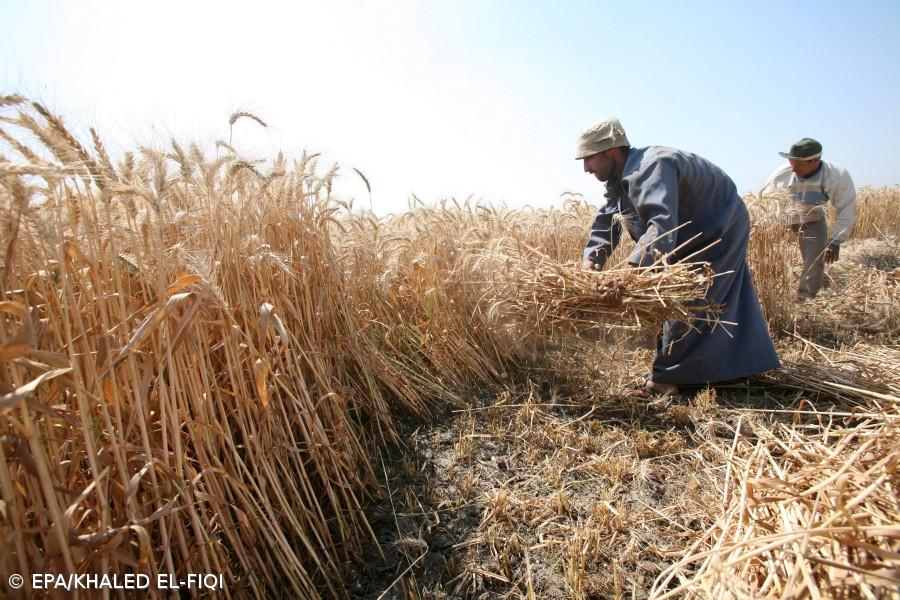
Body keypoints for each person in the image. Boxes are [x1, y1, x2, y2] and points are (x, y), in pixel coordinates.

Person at [577, 117, 780, 395]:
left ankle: (667, 379)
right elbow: (607, 221)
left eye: (589, 159)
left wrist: (630, 271)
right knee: (688, 297)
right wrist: (591, 263)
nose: (586, 168)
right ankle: (725, 368)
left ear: (611, 151)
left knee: (690, 297)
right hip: (691, 232)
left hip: (717, 226)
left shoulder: (652, 166)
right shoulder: (619, 178)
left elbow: (660, 225)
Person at [761, 138, 856, 299]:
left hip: (812, 218)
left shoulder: (836, 176)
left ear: (815, 161)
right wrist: (770, 228)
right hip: (780, 218)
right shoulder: (782, 174)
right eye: (791, 163)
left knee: (814, 260)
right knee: (764, 255)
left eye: (799, 165)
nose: (793, 169)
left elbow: (847, 207)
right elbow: (766, 202)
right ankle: (766, 295)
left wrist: (836, 240)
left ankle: (805, 299)